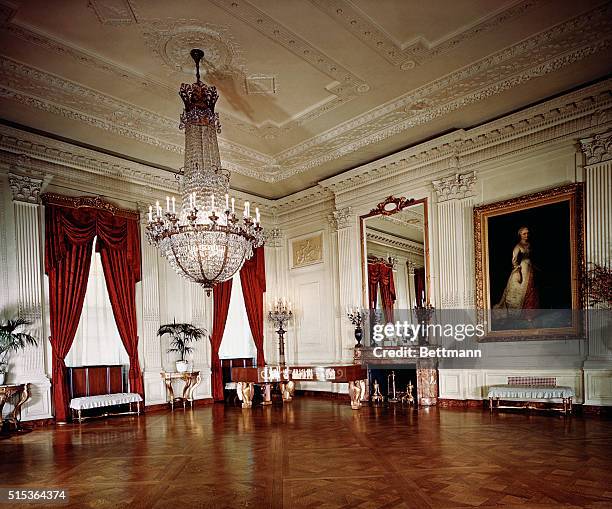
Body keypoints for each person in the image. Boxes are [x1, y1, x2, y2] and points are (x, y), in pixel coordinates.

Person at [494, 226, 539, 316]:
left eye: (527, 233)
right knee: (522, 290)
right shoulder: (518, 246)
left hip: (530, 268)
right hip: (523, 269)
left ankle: (530, 313)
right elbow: (514, 260)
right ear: (520, 235)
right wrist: (517, 270)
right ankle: (521, 314)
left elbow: (530, 257)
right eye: (524, 234)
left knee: (531, 289)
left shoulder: (529, 244)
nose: (526, 235)